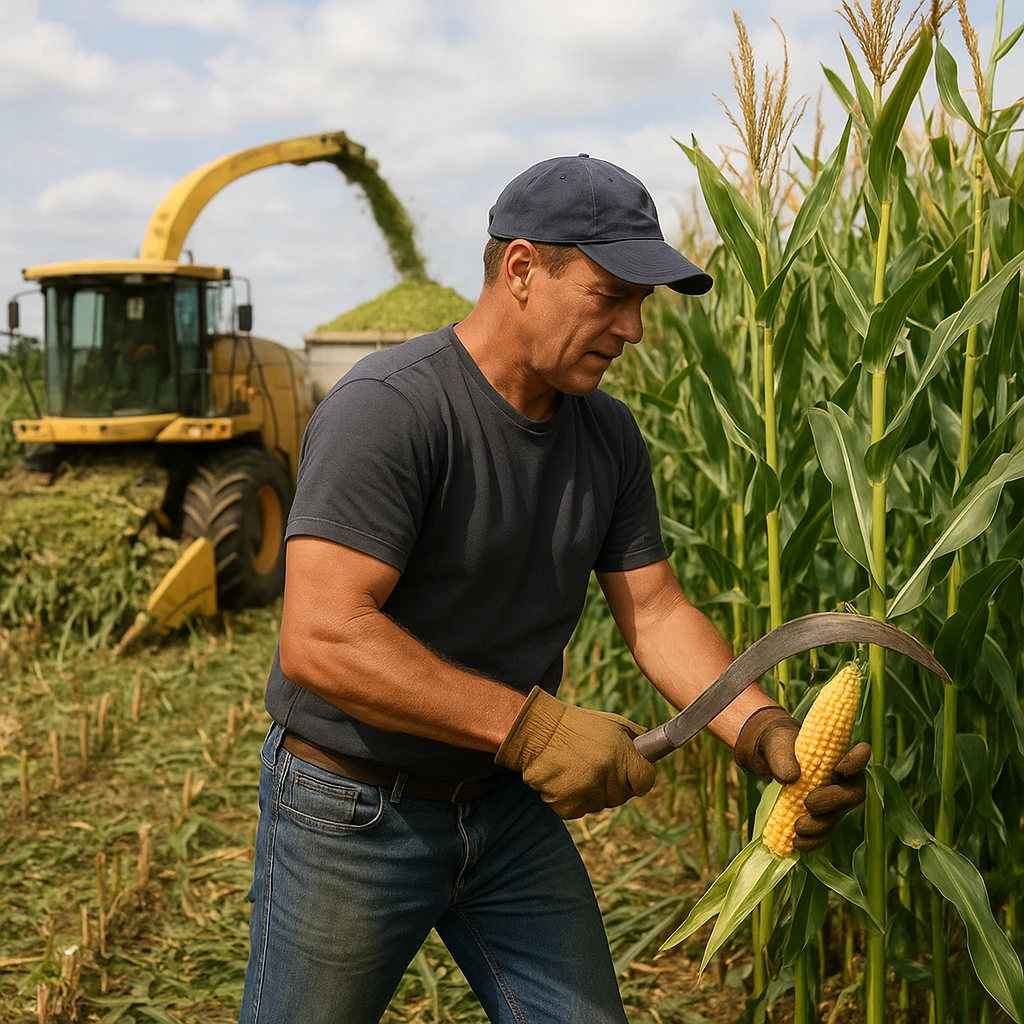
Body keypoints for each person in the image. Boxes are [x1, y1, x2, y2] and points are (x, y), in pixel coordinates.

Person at [237, 154, 869, 1024]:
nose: (635, 329)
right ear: (523, 269)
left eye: (642, 304)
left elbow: (656, 612)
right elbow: (322, 636)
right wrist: (530, 729)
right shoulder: (392, 409)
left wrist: (757, 727)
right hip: (352, 810)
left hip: (503, 811)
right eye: (612, 296)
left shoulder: (606, 434)